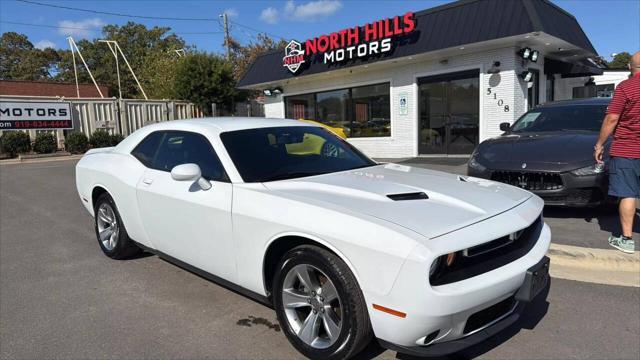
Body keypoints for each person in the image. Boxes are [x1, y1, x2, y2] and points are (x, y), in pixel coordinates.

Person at [594, 51, 640, 254]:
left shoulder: (626, 87)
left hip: (627, 149)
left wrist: (599, 144)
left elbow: (612, 118)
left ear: (630, 67)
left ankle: (627, 240)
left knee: (628, 194)